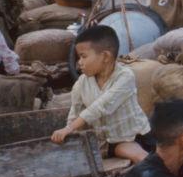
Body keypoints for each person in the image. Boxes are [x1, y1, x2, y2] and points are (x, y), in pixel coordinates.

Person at [52, 25, 154, 165]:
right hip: (105, 142)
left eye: (83, 56)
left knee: (139, 157)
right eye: (78, 57)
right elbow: (75, 113)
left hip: (133, 137)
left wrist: (70, 128)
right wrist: (69, 132)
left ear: (105, 56)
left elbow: (102, 106)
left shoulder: (125, 76)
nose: (79, 63)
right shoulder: (81, 83)